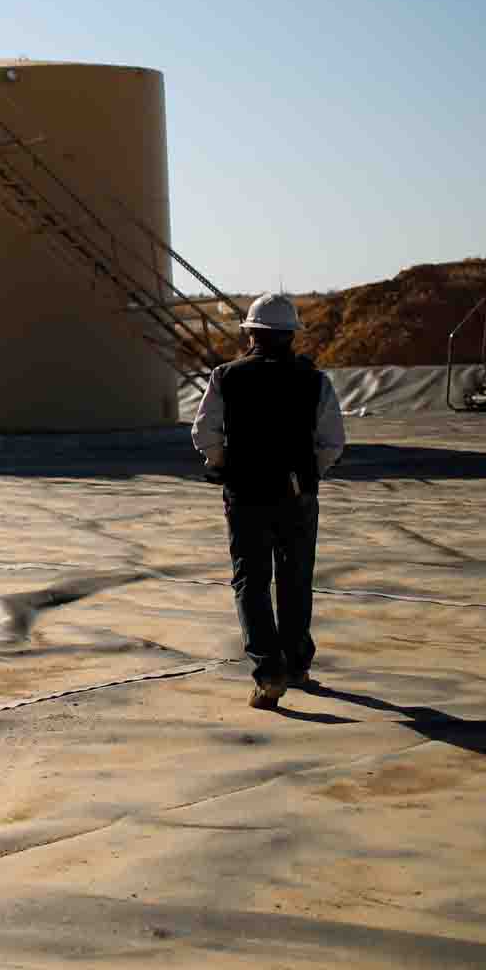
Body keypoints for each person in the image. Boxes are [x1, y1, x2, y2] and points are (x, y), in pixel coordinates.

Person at [191, 293, 346, 710]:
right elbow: (332, 442)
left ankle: (268, 673)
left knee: (251, 581)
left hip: (246, 495)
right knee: (295, 578)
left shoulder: (227, 376)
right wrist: (309, 474)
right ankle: (297, 664)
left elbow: (204, 433)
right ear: (292, 336)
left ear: (252, 333)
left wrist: (222, 462)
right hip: (297, 495)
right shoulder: (315, 380)